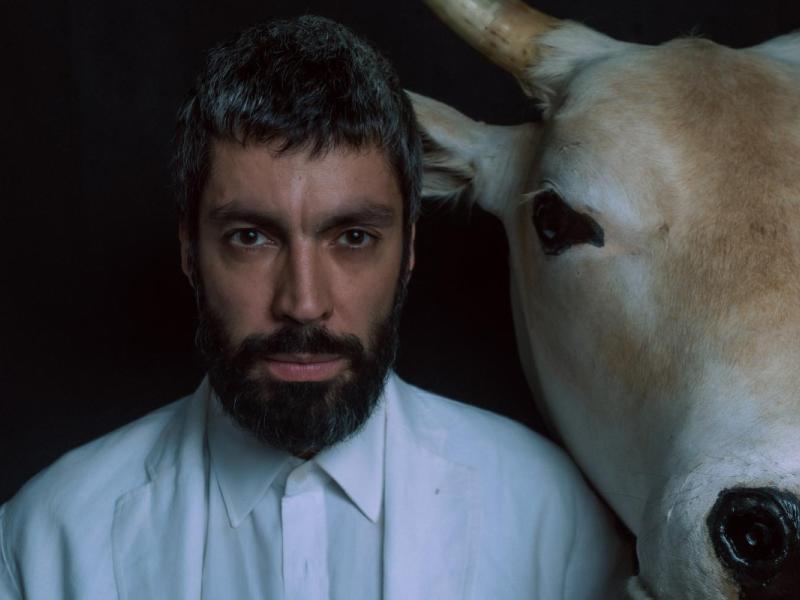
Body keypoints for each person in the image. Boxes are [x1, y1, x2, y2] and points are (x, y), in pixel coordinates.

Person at [0, 15, 628, 599]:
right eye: (251, 237)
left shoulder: (555, 523)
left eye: (353, 237)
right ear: (190, 252)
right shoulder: (43, 542)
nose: (303, 303)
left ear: (409, 249)